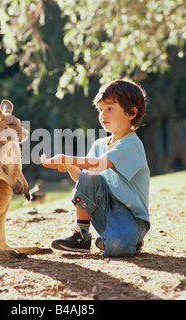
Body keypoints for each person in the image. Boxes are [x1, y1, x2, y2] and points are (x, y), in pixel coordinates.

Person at [41, 79, 150, 257]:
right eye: (100, 110)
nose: (103, 115)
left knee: (116, 249)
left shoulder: (131, 144)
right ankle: (82, 236)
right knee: (89, 175)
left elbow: (100, 164)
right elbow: (85, 179)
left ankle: (129, 241)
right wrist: (69, 166)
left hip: (132, 219)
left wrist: (66, 157)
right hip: (105, 213)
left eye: (110, 108)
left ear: (131, 113)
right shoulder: (100, 144)